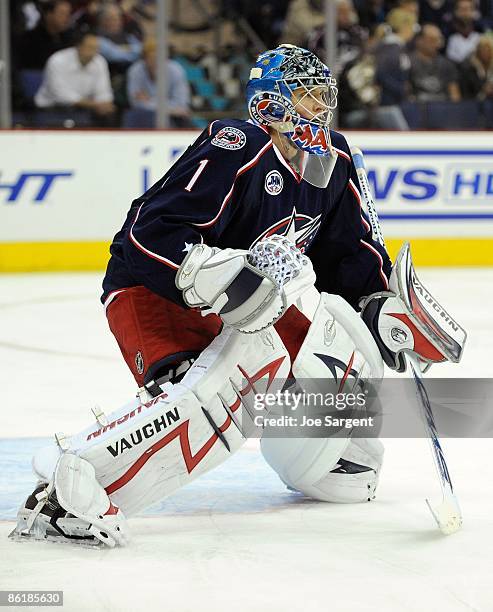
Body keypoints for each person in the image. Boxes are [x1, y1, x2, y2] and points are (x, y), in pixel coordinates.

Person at [11, 44, 461, 547]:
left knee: (345, 344)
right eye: (308, 96)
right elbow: (147, 235)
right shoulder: (238, 144)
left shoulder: (332, 161)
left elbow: (350, 253)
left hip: (251, 307)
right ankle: (70, 493)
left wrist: (379, 307)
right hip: (161, 294)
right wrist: (219, 273)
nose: (321, 108)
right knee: (232, 388)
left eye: (323, 96)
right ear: (272, 101)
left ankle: (330, 457)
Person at [35, 31, 116, 123]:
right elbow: (60, 95)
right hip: (51, 109)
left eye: (96, 48)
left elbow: (103, 91)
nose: (93, 52)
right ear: (78, 46)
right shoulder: (57, 60)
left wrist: (105, 104)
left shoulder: (100, 62)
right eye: (90, 48)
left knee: (109, 116)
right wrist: (93, 105)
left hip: (84, 110)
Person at [126, 38, 191, 126]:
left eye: (159, 58)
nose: (155, 62)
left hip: (174, 117)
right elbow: (136, 103)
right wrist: (169, 110)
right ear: (144, 59)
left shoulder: (176, 70)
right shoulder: (135, 71)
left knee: (182, 119)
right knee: (138, 115)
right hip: (145, 116)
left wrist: (150, 101)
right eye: (151, 58)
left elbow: (181, 104)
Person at [409, 23, 461, 101]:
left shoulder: (447, 64)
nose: (437, 43)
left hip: (443, 109)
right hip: (417, 109)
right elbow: (405, 94)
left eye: (439, 39)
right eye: (432, 39)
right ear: (419, 40)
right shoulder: (408, 62)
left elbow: (455, 96)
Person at [17, 0, 74, 70]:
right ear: (48, 15)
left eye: (68, 14)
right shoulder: (30, 40)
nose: (67, 18)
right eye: (62, 14)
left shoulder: (70, 37)